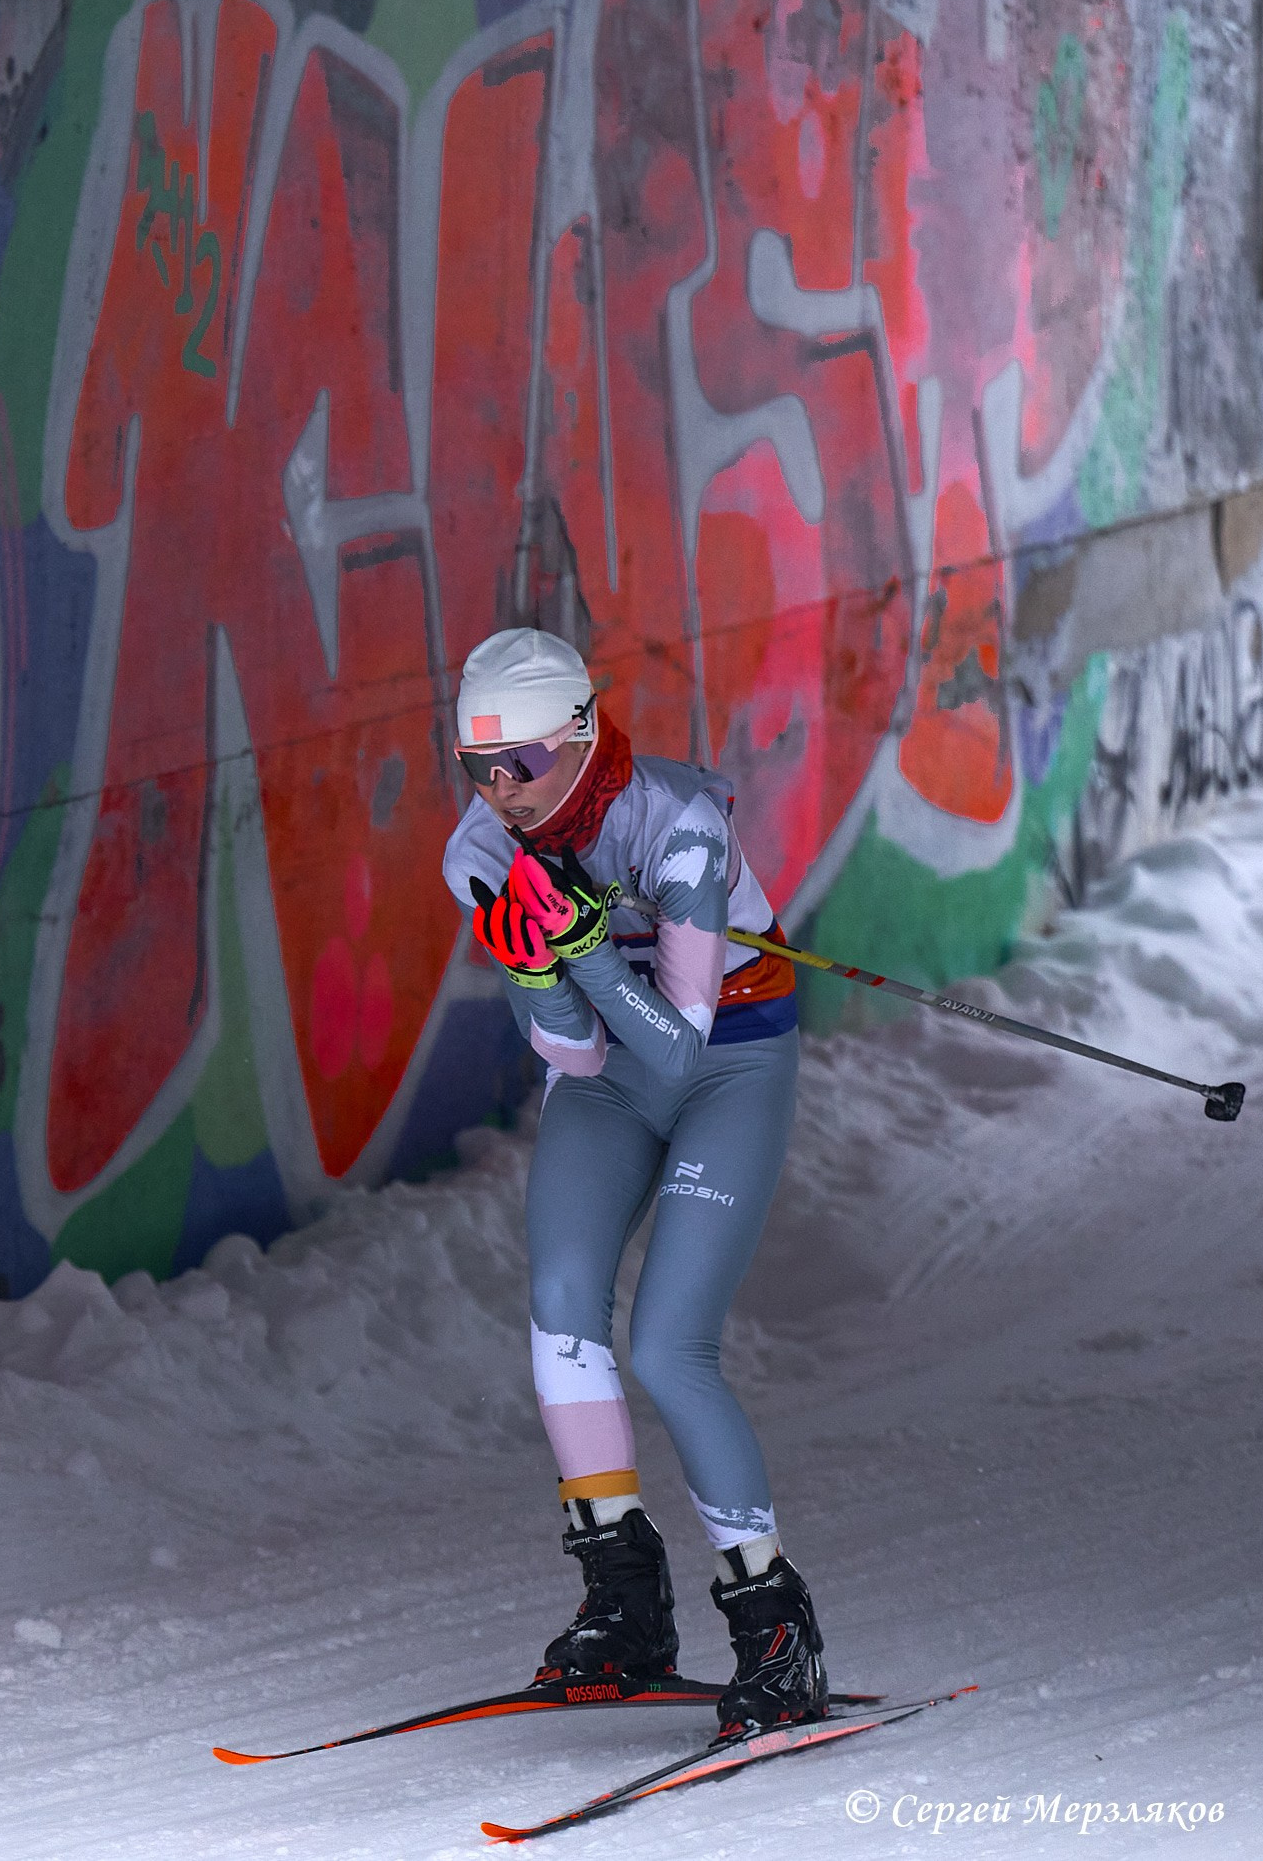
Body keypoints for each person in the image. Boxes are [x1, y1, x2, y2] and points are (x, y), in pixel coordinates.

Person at [438, 627, 823, 1739]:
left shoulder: (680, 828)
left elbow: (680, 1047)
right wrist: (533, 968)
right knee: (561, 1303)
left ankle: (773, 1623)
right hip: (612, 1068)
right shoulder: (481, 848)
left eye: (519, 761)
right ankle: (623, 1599)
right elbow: (576, 1057)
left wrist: (591, 952)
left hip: (727, 1062)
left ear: (579, 733)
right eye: (477, 766)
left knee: (668, 1343)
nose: (499, 790)